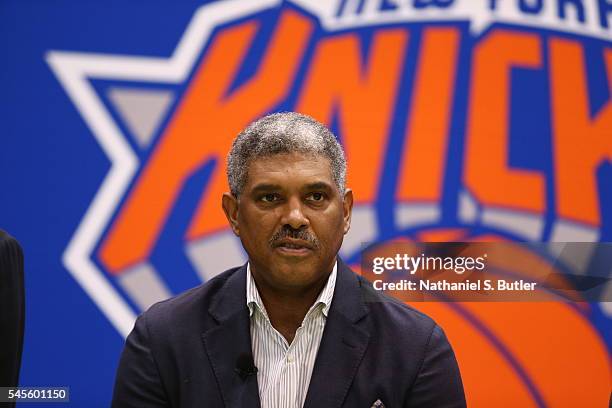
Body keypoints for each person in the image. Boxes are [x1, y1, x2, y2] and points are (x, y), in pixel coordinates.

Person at [111, 112, 465, 407]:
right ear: (233, 214)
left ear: (345, 212)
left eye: (315, 196)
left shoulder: (415, 347)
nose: (295, 217)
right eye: (269, 198)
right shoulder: (162, 339)